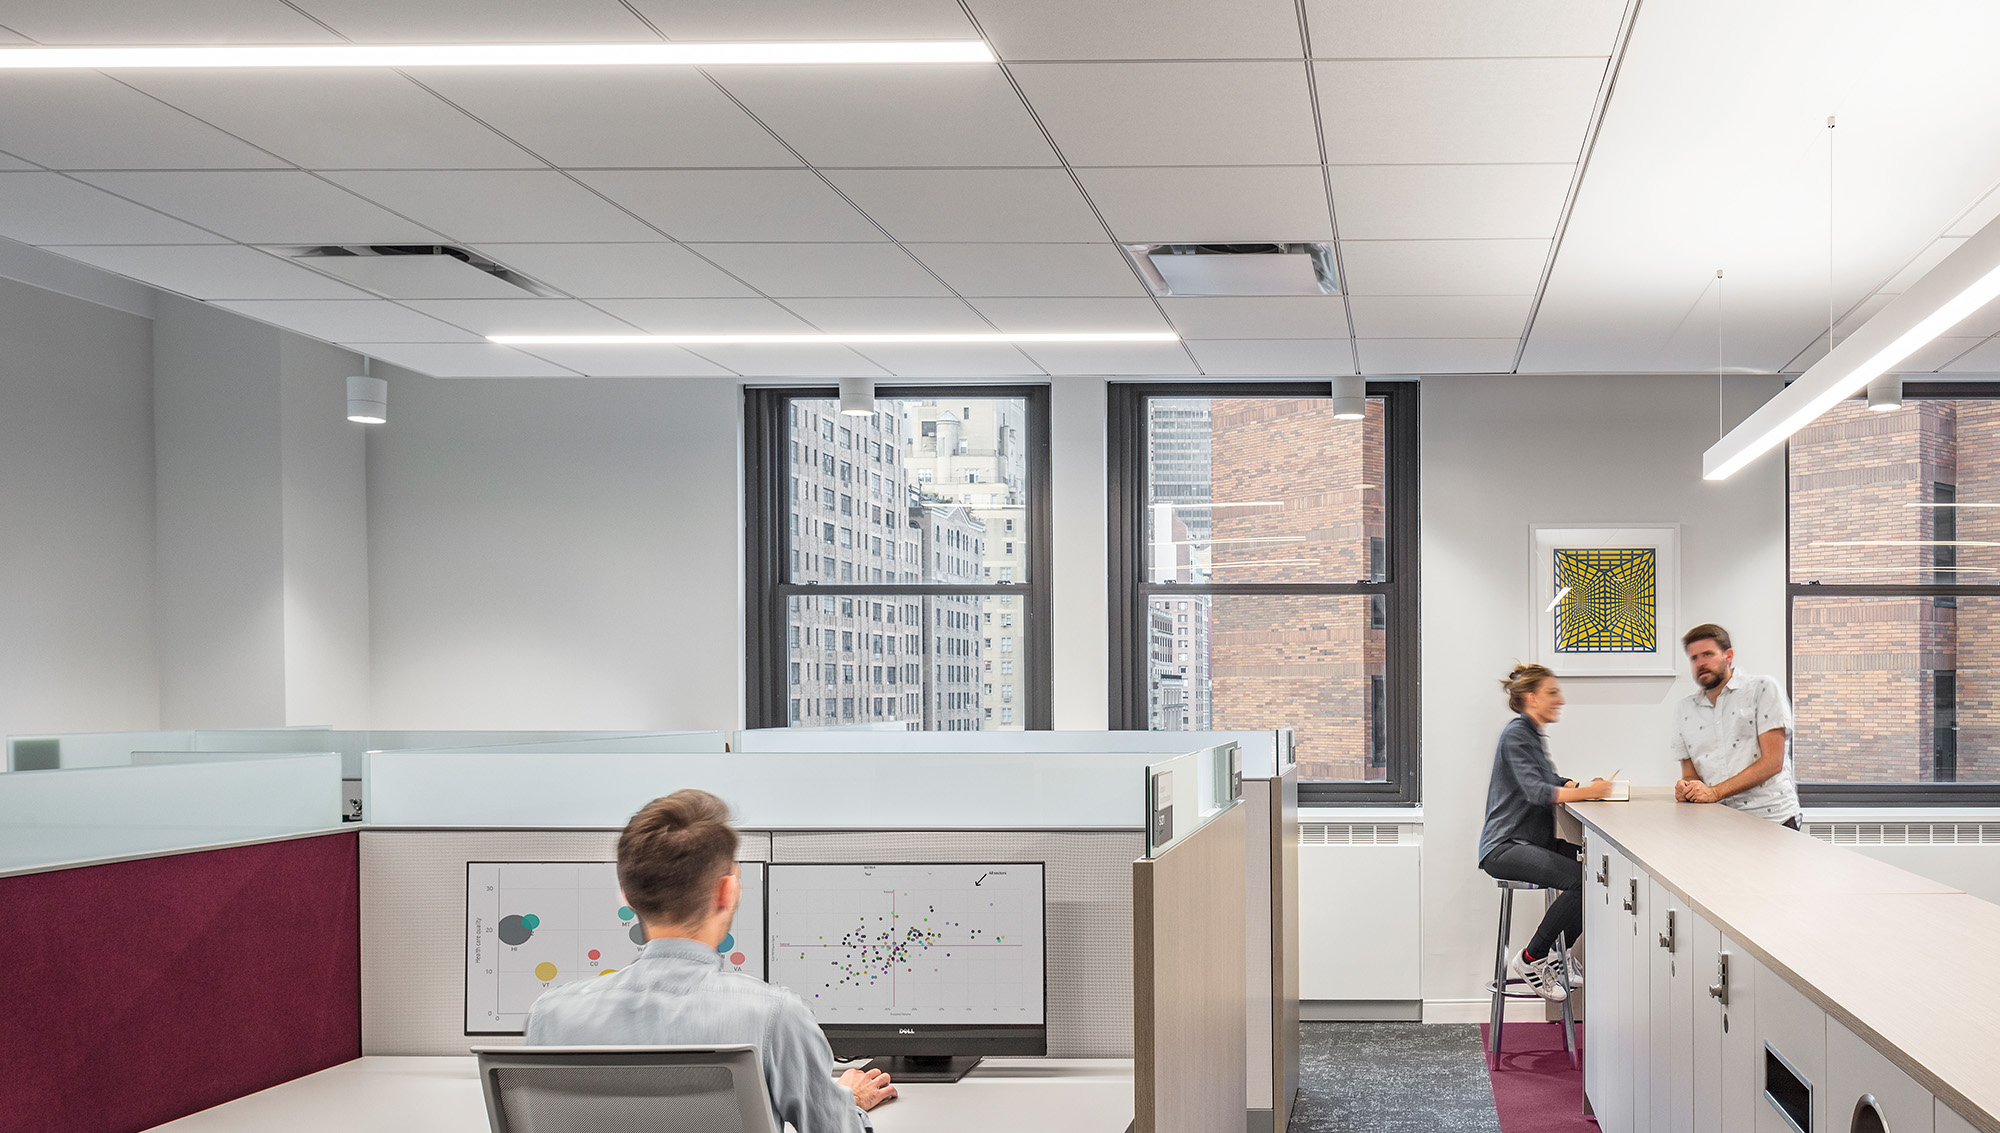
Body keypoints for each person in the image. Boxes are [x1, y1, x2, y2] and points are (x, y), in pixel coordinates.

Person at [527, 789, 896, 1131]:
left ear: (627, 895)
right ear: (726, 892)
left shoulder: (552, 1016)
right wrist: (847, 1101)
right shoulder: (774, 1016)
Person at [1478, 663, 1614, 1002]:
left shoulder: (1531, 734)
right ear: (1531, 698)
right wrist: (1589, 793)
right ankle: (1532, 958)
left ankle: (1558, 955)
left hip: (1530, 841)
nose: (1560, 700)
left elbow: (1548, 779)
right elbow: (1537, 791)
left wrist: (1576, 785)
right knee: (1579, 880)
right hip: (1505, 847)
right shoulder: (1516, 734)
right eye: (1552, 693)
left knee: (1594, 873)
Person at [1670, 623, 1801, 829]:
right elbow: (1691, 775)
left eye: (1707, 654)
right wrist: (1686, 788)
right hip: (1719, 823)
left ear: (1728, 656)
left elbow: (1773, 762)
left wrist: (1714, 792)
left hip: (1772, 821)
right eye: (1694, 658)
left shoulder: (1762, 689)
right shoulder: (1684, 710)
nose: (1700, 663)